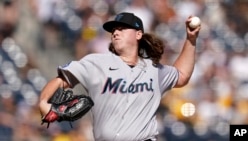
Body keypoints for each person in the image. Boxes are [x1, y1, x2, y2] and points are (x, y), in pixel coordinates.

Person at [39, 12, 201, 141]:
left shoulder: (154, 70)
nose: (115, 32)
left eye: (122, 28)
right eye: (113, 30)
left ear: (138, 34)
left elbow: (182, 75)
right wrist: (44, 102)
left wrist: (191, 39)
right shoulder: (96, 63)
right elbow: (61, 80)